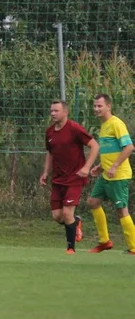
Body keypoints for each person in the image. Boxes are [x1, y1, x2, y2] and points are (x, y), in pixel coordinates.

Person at [39, 99, 98, 254]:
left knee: (67, 213)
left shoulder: (74, 128)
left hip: (74, 178)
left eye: (56, 111)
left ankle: (70, 248)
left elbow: (94, 145)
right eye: (51, 111)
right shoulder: (50, 132)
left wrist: (86, 167)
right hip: (57, 179)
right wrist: (46, 172)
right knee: (57, 216)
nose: (52, 113)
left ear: (65, 112)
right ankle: (76, 222)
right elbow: (50, 153)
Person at [86, 94, 135, 254]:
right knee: (93, 201)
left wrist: (114, 166)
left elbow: (129, 147)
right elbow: (110, 150)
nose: (96, 109)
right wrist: (100, 167)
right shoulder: (104, 125)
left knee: (122, 211)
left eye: (100, 106)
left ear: (108, 106)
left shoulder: (116, 124)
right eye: (95, 106)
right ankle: (104, 241)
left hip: (118, 175)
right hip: (107, 174)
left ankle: (134, 248)